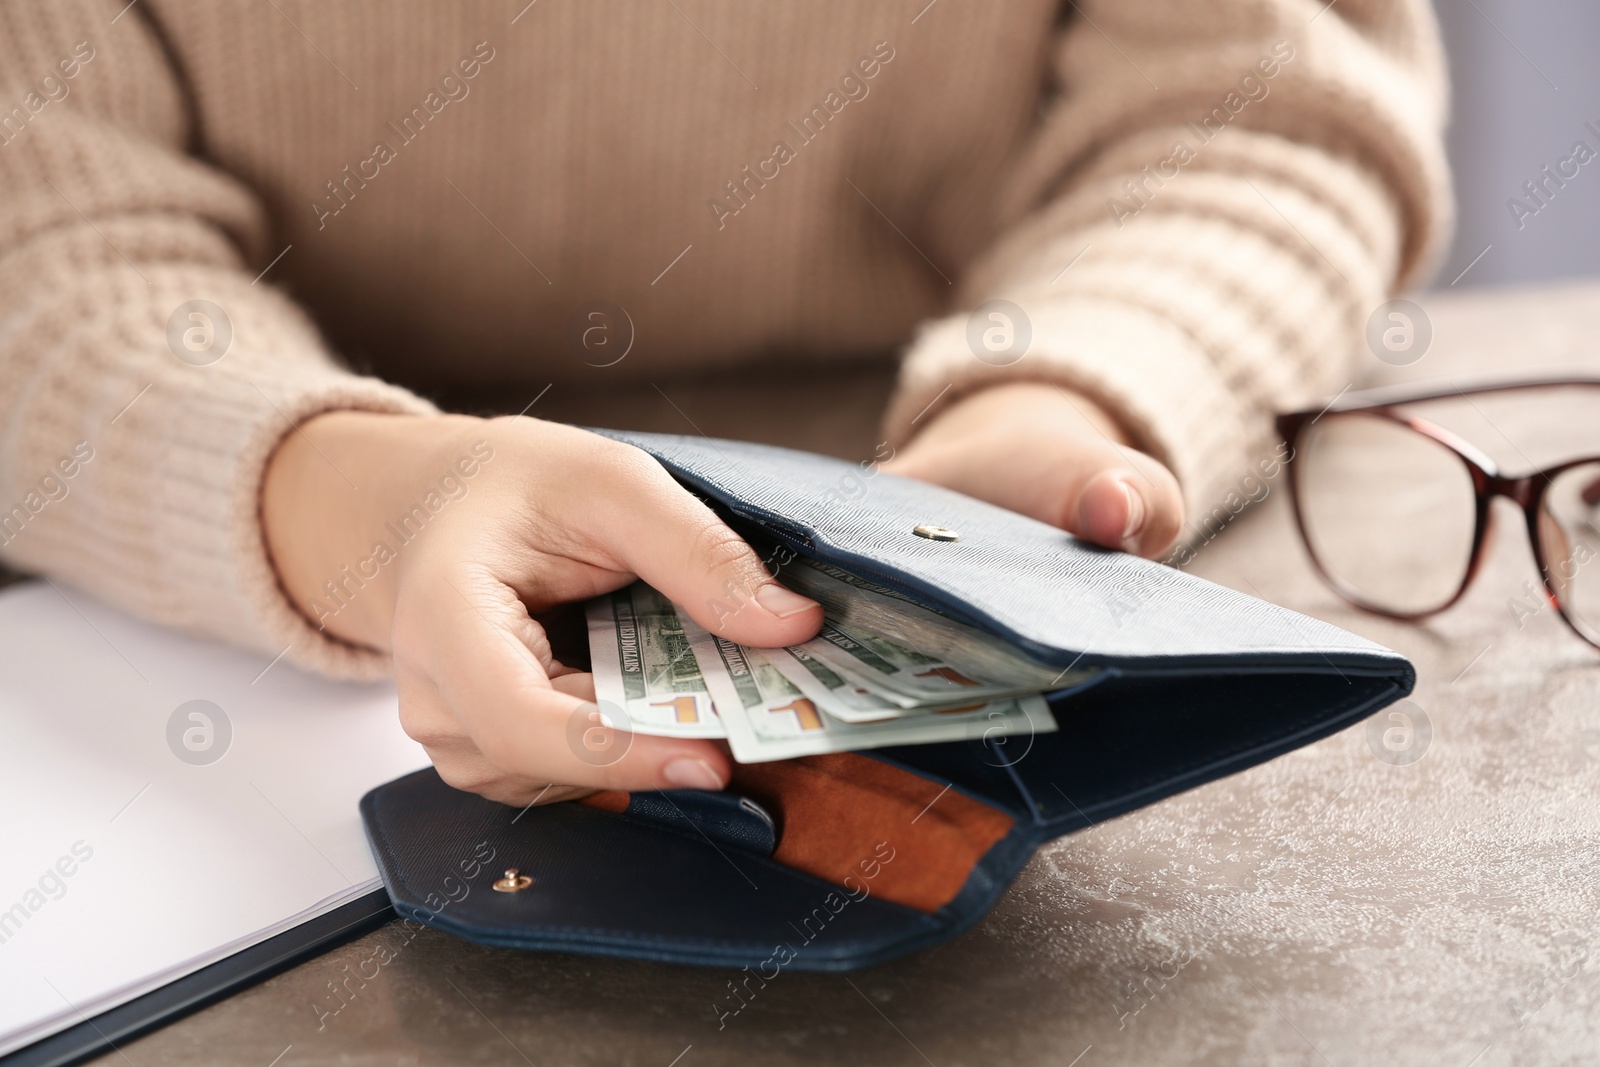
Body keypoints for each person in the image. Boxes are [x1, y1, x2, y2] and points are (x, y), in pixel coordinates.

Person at [0, 1, 1449, 804]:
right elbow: (35, 238)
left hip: (950, 418)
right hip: (276, 470)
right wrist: (353, 499)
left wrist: (1064, 379)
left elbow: (1263, 106)